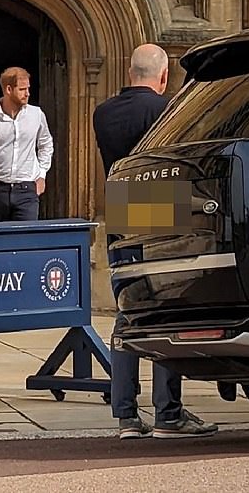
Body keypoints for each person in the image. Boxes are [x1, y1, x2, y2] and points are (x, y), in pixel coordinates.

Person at [93, 43, 218, 439]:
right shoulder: (168, 109)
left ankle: (126, 415)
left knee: (128, 311)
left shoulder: (103, 113)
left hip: (122, 204)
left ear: (131, 72)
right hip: (163, 205)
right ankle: (169, 413)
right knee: (167, 310)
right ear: (163, 77)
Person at [0, 67, 54, 221]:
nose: (27, 93)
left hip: (26, 189)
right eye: (22, 89)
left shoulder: (36, 114)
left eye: (28, 88)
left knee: (26, 241)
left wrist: (42, 174)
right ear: (8, 89)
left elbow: (46, 144)